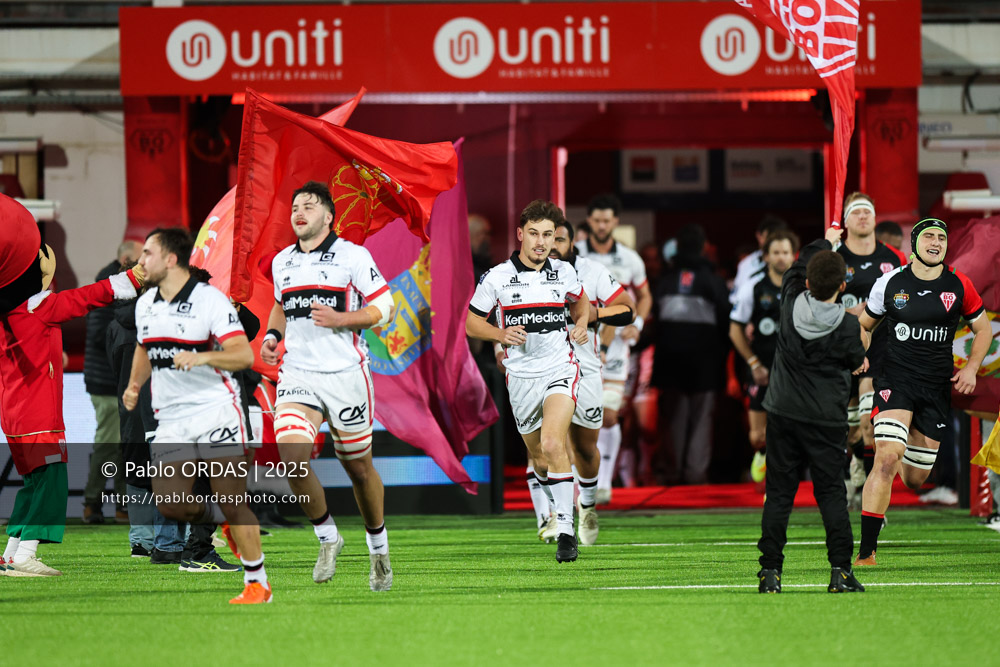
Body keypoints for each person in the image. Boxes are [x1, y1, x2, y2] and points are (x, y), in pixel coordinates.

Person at [260, 181, 396, 592]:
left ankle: (378, 549)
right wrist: (271, 335)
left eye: (309, 205)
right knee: (292, 457)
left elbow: (385, 306)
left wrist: (342, 320)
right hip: (299, 374)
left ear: (329, 216)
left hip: (347, 376)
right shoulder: (282, 261)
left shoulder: (353, 256)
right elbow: (281, 304)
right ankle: (328, 538)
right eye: (295, 206)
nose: (299, 212)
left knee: (358, 468)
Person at [0, 194, 145, 577]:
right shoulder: (37, 307)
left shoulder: (10, 315)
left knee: (33, 483)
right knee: (51, 481)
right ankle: (26, 552)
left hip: (15, 415)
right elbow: (86, 298)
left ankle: (12, 551)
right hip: (38, 414)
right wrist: (129, 278)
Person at [123, 227, 268, 603]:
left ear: (171, 259)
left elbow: (243, 355)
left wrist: (203, 356)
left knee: (233, 499)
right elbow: (143, 348)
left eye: (148, 254)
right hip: (170, 418)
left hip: (215, 411)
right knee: (169, 503)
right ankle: (222, 518)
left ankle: (258, 584)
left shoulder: (210, 301)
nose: (141, 262)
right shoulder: (145, 303)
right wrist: (135, 385)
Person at [855, 218, 991, 566]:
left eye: (941, 238)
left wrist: (972, 368)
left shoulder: (959, 283)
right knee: (886, 458)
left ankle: (898, 457)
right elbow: (865, 325)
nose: (936, 242)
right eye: (928, 236)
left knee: (916, 478)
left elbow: (983, 329)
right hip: (895, 381)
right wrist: (859, 353)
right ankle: (866, 551)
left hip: (935, 389)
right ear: (915, 243)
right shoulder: (890, 282)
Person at [468, 200, 591, 562]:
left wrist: (581, 323)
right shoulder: (497, 276)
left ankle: (567, 531)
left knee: (555, 443)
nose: (541, 242)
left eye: (548, 235)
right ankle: (554, 506)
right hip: (520, 376)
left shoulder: (564, 272)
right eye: (534, 234)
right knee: (539, 458)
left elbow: (580, 303)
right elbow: (470, 322)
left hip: (560, 368)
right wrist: (500, 334)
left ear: (556, 238)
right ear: (521, 234)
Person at [756, 226, 867, 594]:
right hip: (825, 420)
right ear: (842, 287)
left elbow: (801, 260)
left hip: (783, 413)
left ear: (806, 282)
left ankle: (770, 573)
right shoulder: (850, 327)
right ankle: (840, 572)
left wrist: (829, 238)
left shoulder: (789, 301)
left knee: (780, 494)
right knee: (832, 494)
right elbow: (856, 362)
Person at [514, 218, 635, 545]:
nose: (552, 246)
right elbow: (505, 314)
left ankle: (588, 503)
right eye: (545, 237)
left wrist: (593, 315)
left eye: (559, 239)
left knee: (584, 448)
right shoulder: (520, 275)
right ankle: (556, 515)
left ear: (571, 243)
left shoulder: (591, 271)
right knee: (547, 445)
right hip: (541, 368)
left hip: (585, 366)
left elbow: (627, 310)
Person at [575, 194, 652, 504]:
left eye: (608, 220)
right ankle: (580, 481)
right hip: (581, 343)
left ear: (616, 222)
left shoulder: (630, 258)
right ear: (589, 221)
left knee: (608, 415)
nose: (602, 225)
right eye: (597, 220)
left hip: (617, 346)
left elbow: (645, 296)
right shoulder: (576, 254)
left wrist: (639, 323)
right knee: (579, 415)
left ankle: (604, 483)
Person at [835, 193, 907, 505]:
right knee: (851, 431)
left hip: (880, 352)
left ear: (875, 219)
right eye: (857, 212)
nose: (864, 217)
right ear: (846, 221)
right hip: (841, 352)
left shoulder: (895, 259)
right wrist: (854, 314)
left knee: (870, 426)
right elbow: (816, 303)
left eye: (868, 212)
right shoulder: (834, 257)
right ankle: (856, 469)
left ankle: (869, 498)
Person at [651, 224, 731, 484]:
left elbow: (654, 324)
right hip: (705, 365)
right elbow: (726, 324)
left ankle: (674, 476)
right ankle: (695, 477)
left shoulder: (665, 280)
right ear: (702, 247)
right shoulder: (714, 281)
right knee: (701, 422)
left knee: (675, 420)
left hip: (670, 364)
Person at [729, 230, 799, 484]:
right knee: (758, 435)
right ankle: (762, 453)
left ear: (794, 255)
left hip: (794, 370)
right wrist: (753, 363)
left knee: (791, 429)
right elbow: (735, 328)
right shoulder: (754, 287)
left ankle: (781, 478)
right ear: (767, 256)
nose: (781, 257)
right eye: (776, 252)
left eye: (786, 252)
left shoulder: (804, 286)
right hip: (763, 369)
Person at [82, 239, 143, 524]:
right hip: (107, 381)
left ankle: (122, 505)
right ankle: (92, 503)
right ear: (128, 260)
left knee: (123, 444)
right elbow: (97, 335)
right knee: (109, 444)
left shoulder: (121, 289)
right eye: (142, 258)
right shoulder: (107, 287)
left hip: (117, 380)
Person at [731, 215, 789, 301]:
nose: (771, 243)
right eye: (768, 238)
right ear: (759, 236)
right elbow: (735, 299)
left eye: (776, 239)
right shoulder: (746, 264)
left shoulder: (792, 264)